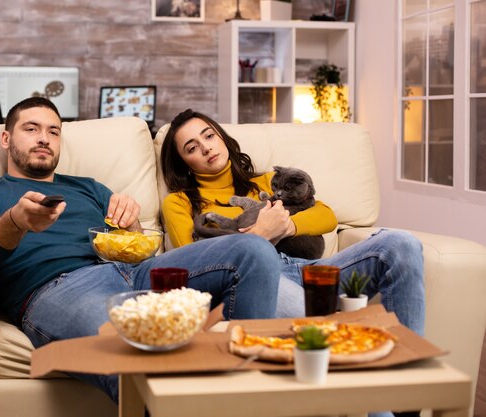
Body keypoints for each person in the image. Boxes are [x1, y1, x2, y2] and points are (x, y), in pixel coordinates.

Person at [0, 97, 284, 403]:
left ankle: (249, 398)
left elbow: (135, 248)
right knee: (135, 352)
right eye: (31, 129)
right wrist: (17, 220)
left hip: (133, 272)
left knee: (251, 249)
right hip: (56, 290)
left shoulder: (89, 187)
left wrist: (132, 223)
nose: (44, 138)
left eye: (53, 131)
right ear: (6, 139)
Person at [160, 109, 425, 338]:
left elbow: (326, 215)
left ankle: (410, 376)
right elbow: (196, 265)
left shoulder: (266, 182)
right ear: (184, 164)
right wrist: (260, 234)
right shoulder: (179, 203)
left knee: (401, 244)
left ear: (221, 137)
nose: (206, 147)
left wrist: (285, 227)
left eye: (209, 136)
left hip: (304, 268)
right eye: (192, 148)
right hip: (255, 280)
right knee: (312, 321)